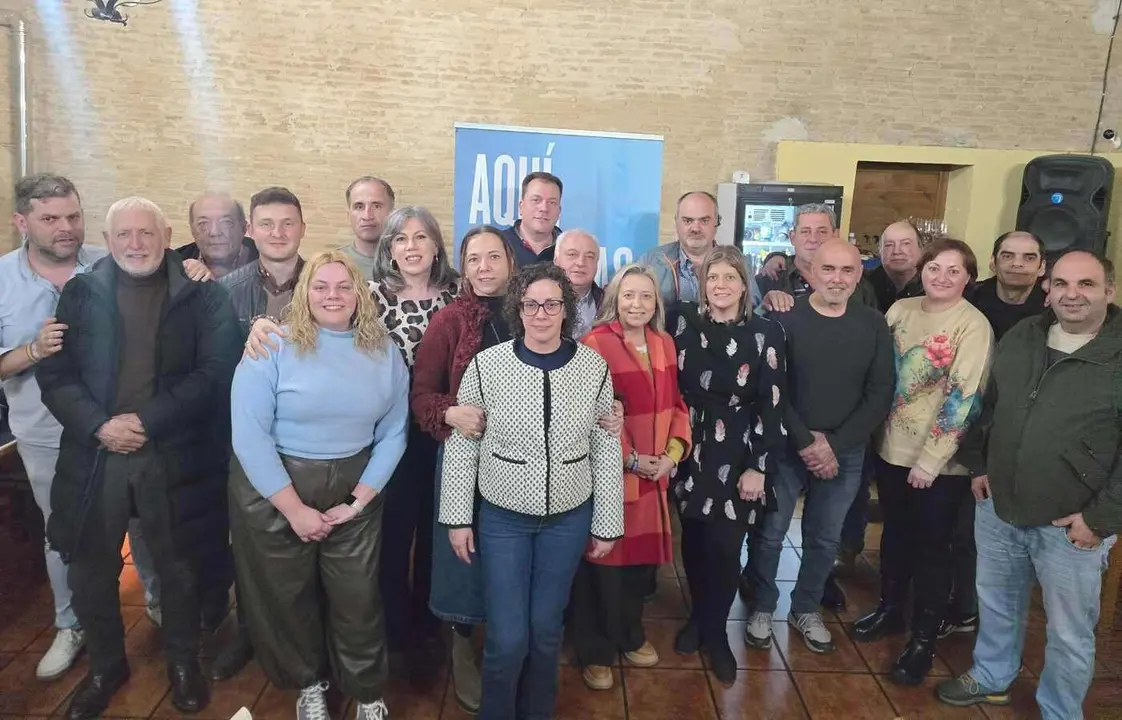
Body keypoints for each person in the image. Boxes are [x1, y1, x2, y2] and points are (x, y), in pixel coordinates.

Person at [37, 196, 241, 719]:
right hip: (95, 455)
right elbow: (56, 376)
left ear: (167, 234)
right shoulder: (80, 294)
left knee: (179, 569)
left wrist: (148, 421)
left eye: (146, 233)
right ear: (106, 241)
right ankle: (106, 666)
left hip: (172, 454)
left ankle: (182, 664)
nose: (135, 243)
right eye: (123, 234)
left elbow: (216, 373)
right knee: (90, 568)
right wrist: (100, 425)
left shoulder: (201, 295)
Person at [937, 250, 1120, 719]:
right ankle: (993, 675)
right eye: (1061, 283)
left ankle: (1060, 711)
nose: (1072, 294)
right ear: (1048, 288)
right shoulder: (1025, 335)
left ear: (1109, 291)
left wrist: (1100, 519)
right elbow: (988, 406)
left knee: (1069, 630)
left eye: (1086, 284)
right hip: (999, 504)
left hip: (1071, 523)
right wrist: (978, 464)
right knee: (997, 602)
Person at [439, 263, 624, 720]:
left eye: (552, 304)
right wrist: (459, 519)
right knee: (507, 638)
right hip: (503, 519)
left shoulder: (592, 367)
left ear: (566, 309)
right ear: (518, 309)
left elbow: (604, 445)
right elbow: (465, 446)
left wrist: (607, 522)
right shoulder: (488, 365)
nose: (542, 314)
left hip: (568, 518)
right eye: (531, 304)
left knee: (545, 632)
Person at [230, 251, 407, 720]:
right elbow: (249, 434)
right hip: (275, 491)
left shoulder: (383, 351)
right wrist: (293, 510)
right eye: (321, 286)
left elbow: (394, 432)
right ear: (304, 293)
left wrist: (356, 502)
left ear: (360, 295)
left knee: (358, 598)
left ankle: (367, 692)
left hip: (354, 489)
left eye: (344, 286)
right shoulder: (271, 346)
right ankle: (309, 685)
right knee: (287, 598)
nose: (333, 295)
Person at [0, 175, 163, 681]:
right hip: (48, 431)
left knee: (146, 522)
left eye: (73, 216)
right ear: (22, 222)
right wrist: (33, 352)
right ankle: (72, 624)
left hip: (123, 425)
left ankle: (160, 605)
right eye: (51, 219)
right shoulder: (1, 280)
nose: (67, 228)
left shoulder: (111, 259)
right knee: (64, 531)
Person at [852, 238, 994, 686]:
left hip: (938, 465)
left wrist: (930, 461)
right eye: (935, 267)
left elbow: (964, 399)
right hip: (890, 450)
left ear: (968, 277)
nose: (943, 277)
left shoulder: (973, 326)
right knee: (894, 536)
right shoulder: (901, 311)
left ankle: (923, 639)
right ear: (922, 270)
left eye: (954, 270)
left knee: (933, 549)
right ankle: (891, 609)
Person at [743, 240, 894, 654]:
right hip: (788, 446)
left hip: (845, 451)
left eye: (847, 271)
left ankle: (805, 607)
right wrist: (809, 442)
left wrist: (835, 444)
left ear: (858, 276)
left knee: (825, 538)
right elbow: (774, 388)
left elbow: (880, 392)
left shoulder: (873, 324)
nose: (837, 279)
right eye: (828, 269)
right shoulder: (786, 320)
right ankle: (761, 606)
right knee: (770, 533)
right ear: (810, 272)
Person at [410, 225, 515, 714]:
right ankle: (460, 645)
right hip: (465, 464)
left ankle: (506, 649)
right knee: (464, 559)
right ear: (463, 266)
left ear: (510, 263)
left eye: (494, 257)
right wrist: (450, 413)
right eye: (474, 259)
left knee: (510, 557)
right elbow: (422, 394)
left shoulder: (531, 313)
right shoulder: (449, 321)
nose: (485, 267)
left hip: (522, 463)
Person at [671, 245, 787, 685]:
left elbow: (772, 403)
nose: (721, 286)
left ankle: (717, 632)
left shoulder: (766, 332)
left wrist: (758, 465)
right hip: (688, 445)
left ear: (745, 284)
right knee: (695, 540)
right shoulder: (681, 321)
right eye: (712, 278)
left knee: (724, 547)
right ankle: (699, 618)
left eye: (730, 278)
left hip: (739, 451)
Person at [572, 264, 691, 691]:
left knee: (639, 571)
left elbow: (678, 405)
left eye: (645, 296)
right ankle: (596, 651)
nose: (637, 304)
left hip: (655, 478)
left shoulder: (664, 343)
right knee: (603, 569)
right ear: (614, 300)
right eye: (628, 296)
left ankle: (629, 635)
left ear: (656, 302)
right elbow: (590, 416)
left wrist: (672, 456)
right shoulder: (595, 344)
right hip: (612, 478)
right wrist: (633, 459)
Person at [208, 185, 309, 681]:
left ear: (302, 228)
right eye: (266, 224)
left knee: (308, 545)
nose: (277, 233)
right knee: (248, 546)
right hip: (247, 443)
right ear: (250, 230)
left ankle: (311, 640)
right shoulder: (225, 291)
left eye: (287, 223)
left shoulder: (327, 283)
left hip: (311, 444)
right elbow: (213, 367)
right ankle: (248, 632)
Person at [640, 191, 761, 324]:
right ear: (676, 223)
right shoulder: (651, 261)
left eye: (704, 221)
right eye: (687, 221)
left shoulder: (740, 262)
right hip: (667, 343)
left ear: (717, 222)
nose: (695, 228)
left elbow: (753, 309)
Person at [757, 203, 877, 313]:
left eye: (822, 231)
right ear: (793, 237)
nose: (813, 239)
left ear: (835, 235)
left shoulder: (861, 287)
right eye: (805, 231)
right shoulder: (769, 279)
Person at [968, 230, 1048, 342]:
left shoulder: (1051, 310)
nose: (1017, 264)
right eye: (1007, 256)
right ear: (992, 263)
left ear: (1042, 267)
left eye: (1029, 258)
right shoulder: (968, 299)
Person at [176, 192, 258, 277]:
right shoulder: (174, 266)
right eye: (203, 223)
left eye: (226, 222)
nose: (214, 232)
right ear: (192, 230)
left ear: (243, 228)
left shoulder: (267, 263)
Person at [501, 172, 563, 267]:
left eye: (552, 202)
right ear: (521, 206)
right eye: (536, 200)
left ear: (559, 211)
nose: (544, 208)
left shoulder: (568, 249)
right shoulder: (499, 244)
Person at [339, 176, 396, 280]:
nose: (367, 216)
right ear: (349, 215)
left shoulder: (410, 261)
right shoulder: (333, 264)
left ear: (392, 214)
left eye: (376, 206)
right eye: (359, 207)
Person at [553, 228, 604, 339]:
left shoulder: (608, 303)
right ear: (556, 260)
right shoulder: (537, 300)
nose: (581, 263)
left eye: (590, 257)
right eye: (572, 254)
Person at [865, 221, 924, 313]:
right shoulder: (866, 284)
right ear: (879, 251)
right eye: (889, 245)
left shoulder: (934, 286)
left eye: (906, 243)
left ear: (921, 248)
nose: (897, 251)